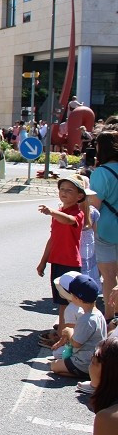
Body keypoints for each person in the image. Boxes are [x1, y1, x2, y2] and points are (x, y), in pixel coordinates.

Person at [37, 175, 90, 329]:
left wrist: (51, 212)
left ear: (79, 196)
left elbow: (68, 220)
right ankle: (62, 336)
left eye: (69, 190)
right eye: (62, 189)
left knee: (67, 305)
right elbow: (52, 239)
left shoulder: (77, 213)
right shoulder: (59, 213)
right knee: (62, 303)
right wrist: (42, 262)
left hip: (69, 263)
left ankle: (65, 337)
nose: (64, 192)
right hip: (57, 262)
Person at [49, 273, 107, 382]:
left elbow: (76, 343)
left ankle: (85, 374)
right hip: (95, 359)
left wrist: (69, 332)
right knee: (58, 363)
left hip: (84, 361)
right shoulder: (98, 314)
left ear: (77, 298)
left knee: (54, 366)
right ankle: (89, 372)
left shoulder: (86, 319)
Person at [90, 131, 118, 322]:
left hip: (106, 230)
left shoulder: (101, 173)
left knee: (109, 277)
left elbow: (93, 208)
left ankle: (110, 318)